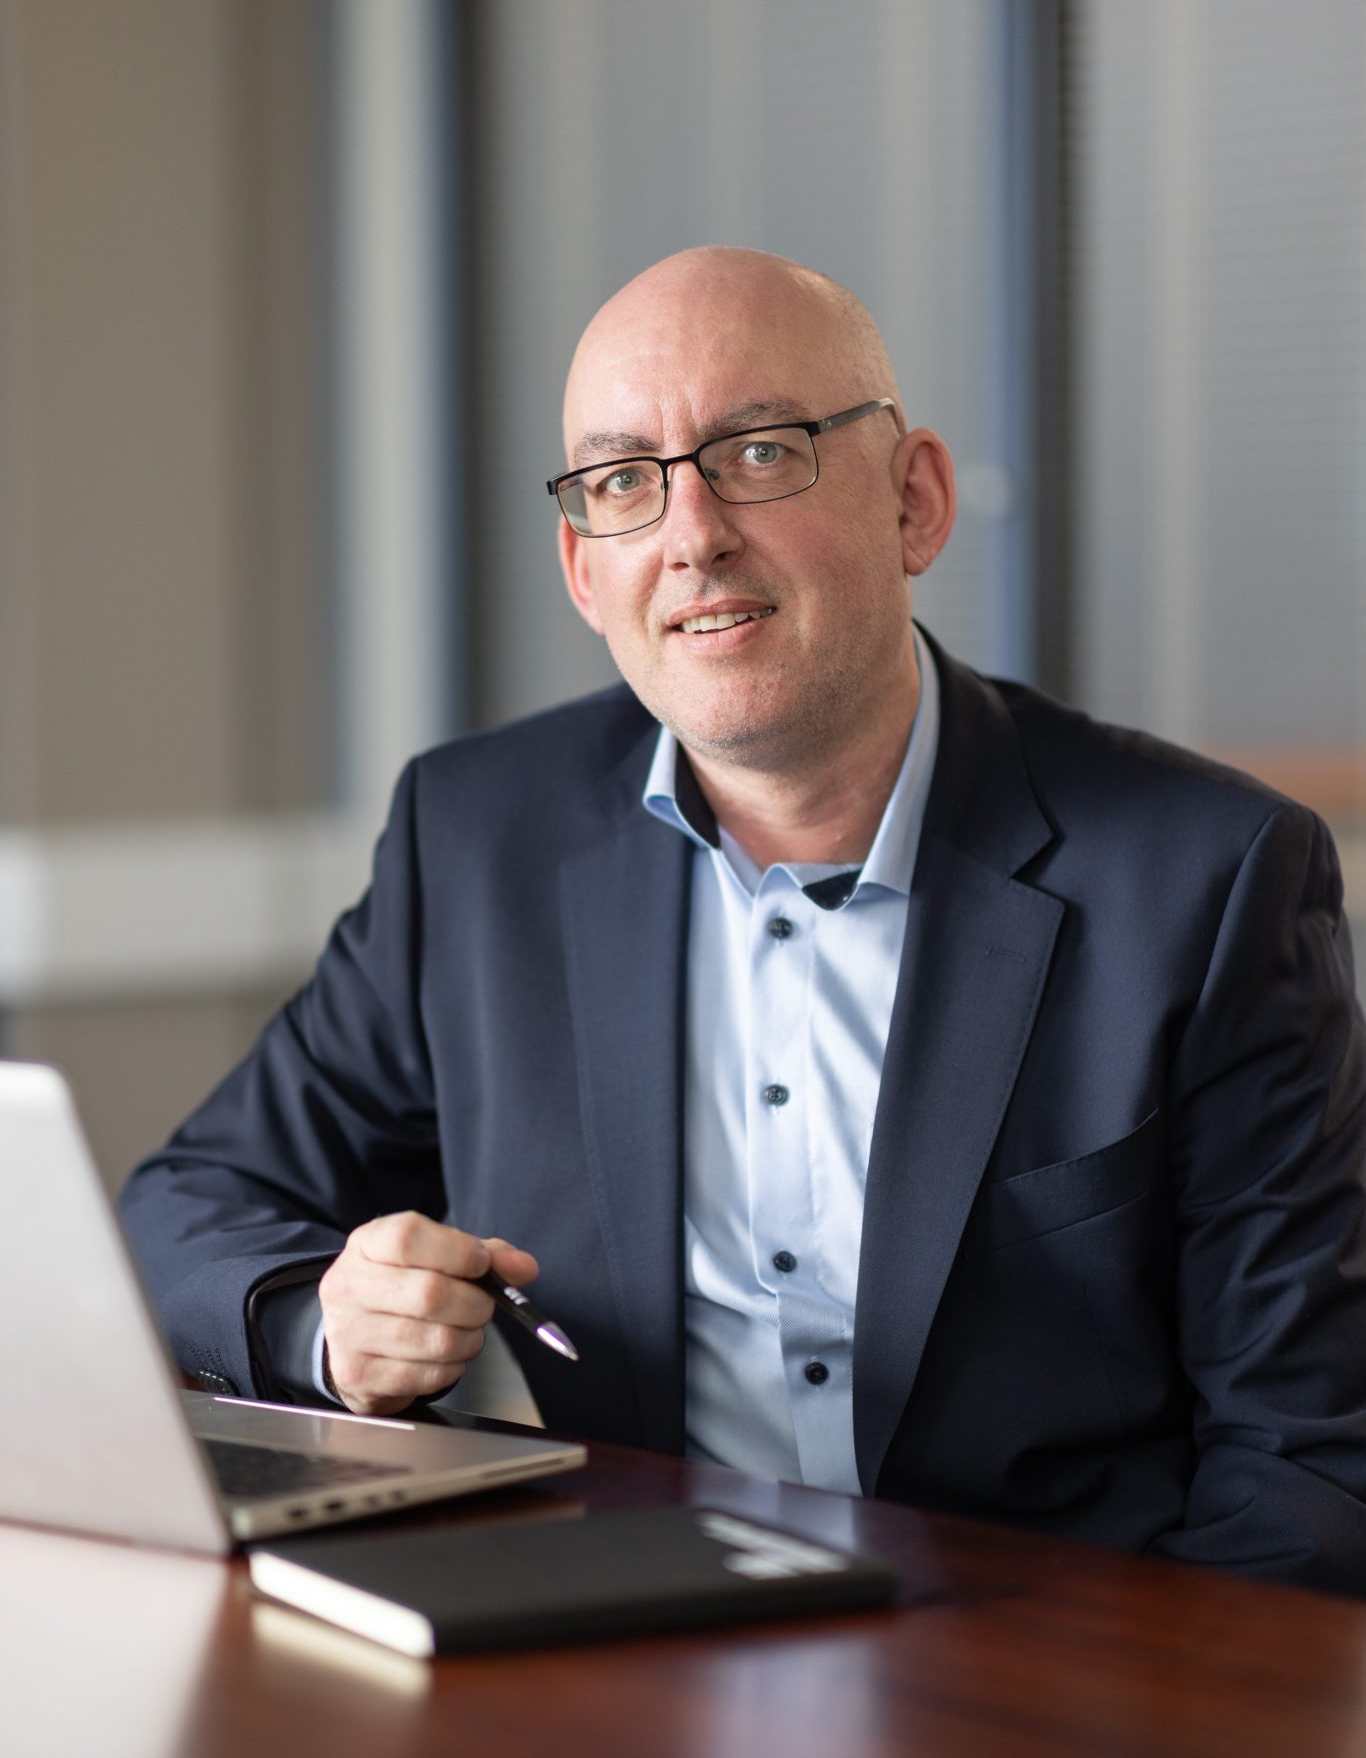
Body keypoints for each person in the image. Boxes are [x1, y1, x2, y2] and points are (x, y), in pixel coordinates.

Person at [123, 246, 1366, 1592]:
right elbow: (192, 1202)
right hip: (610, 1650)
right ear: (583, 571)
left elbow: (1302, 1455)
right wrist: (326, 1323)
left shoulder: (1207, 876)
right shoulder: (478, 838)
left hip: (1035, 1687)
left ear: (915, 502)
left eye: (759, 453)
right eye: (622, 484)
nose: (691, 532)